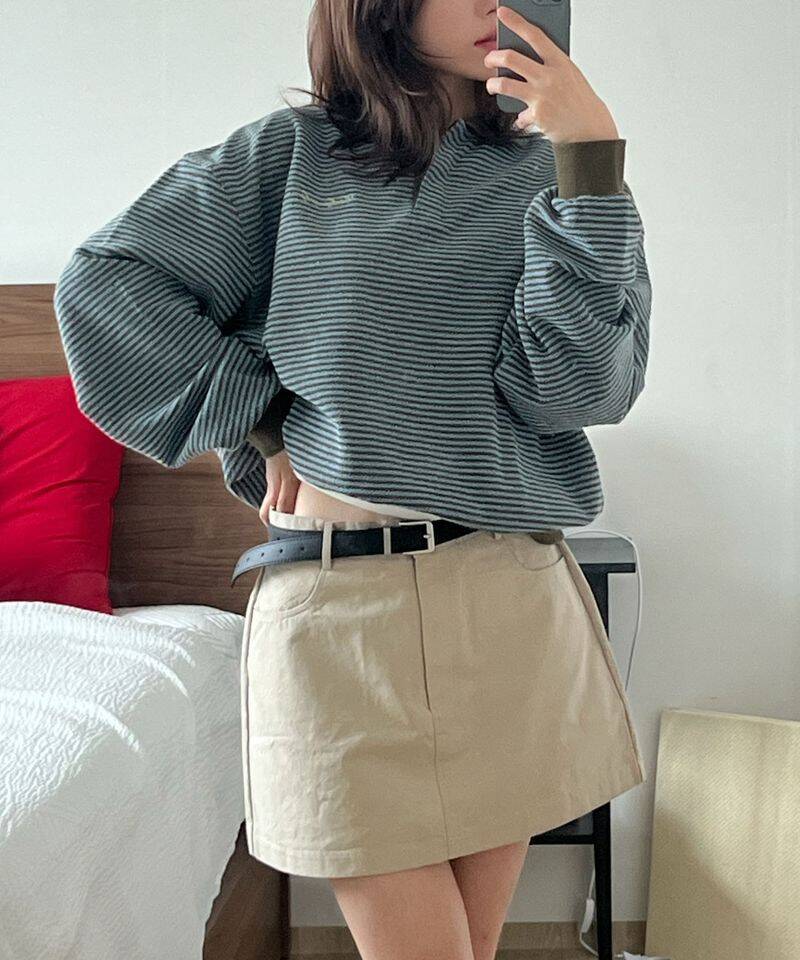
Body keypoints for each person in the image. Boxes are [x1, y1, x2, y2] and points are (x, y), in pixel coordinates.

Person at [54, 2, 652, 957]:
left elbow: (574, 390)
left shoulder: (560, 175)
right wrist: (256, 416)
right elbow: (108, 283)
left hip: (506, 597)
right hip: (338, 611)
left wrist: (590, 162)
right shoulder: (288, 158)